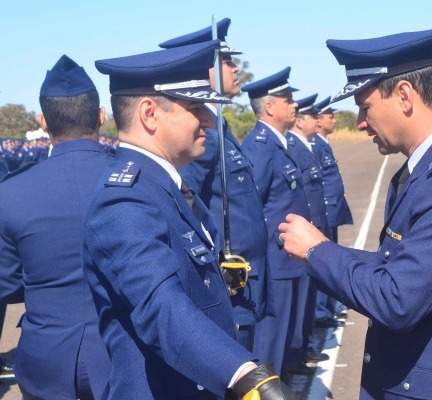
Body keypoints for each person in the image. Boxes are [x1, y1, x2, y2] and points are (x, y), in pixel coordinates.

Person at [278, 26, 432, 399]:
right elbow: (398, 266)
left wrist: (318, 251)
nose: (361, 123)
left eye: (365, 108)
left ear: (404, 95)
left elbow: (397, 300)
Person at [84, 40, 294, 399]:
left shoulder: (166, 185)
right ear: (149, 114)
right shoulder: (125, 200)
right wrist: (246, 376)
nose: (210, 120)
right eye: (197, 107)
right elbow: (161, 305)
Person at [0, 54, 112, 399]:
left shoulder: (11, 192)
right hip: (118, 354)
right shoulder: (137, 177)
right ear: (100, 116)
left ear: (43, 122)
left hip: (45, 358)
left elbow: (5, 282)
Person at [159, 18, 270, 353]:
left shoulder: (217, 123)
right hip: (227, 286)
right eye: (227, 61)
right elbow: (184, 212)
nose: (236, 68)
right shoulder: (198, 131)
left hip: (246, 280)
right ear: (202, 68)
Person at [240, 68, 311, 379]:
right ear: (270, 107)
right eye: (288, 99)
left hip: (288, 260)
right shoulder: (260, 146)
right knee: (270, 345)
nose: (294, 105)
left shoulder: (279, 144)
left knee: (282, 342)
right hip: (274, 263)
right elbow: (250, 209)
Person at [285, 94, 330, 372]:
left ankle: (299, 353)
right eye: (313, 116)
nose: (319, 120)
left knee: (305, 299)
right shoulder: (286, 147)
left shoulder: (301, 146)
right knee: (290, 310)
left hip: (310, 229)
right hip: (291, 239)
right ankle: (291, 360)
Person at [311, 96, 353, 327]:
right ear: (318, 121)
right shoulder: (316, 146)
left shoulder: (322, 144)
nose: (334, 120)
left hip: (332, 212)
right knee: (323, 260)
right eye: (330, 116)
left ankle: (326, 307)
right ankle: (320, 311)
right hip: (325, 212)